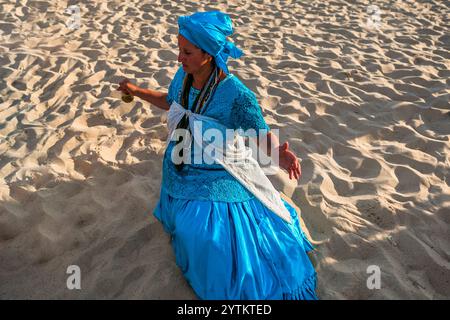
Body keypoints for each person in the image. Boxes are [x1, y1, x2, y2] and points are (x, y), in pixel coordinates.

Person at [117, 11, 317, 300]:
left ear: (208, 54)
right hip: (183, 167)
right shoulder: (183, 76)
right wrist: (137, 91)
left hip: (221, 171)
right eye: (179, 49)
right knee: (188, 230)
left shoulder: (236, 94)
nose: (178, 58)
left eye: (186, 52)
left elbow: (259, 132)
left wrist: (280, 156)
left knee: (209, 241)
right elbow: (170, 101)